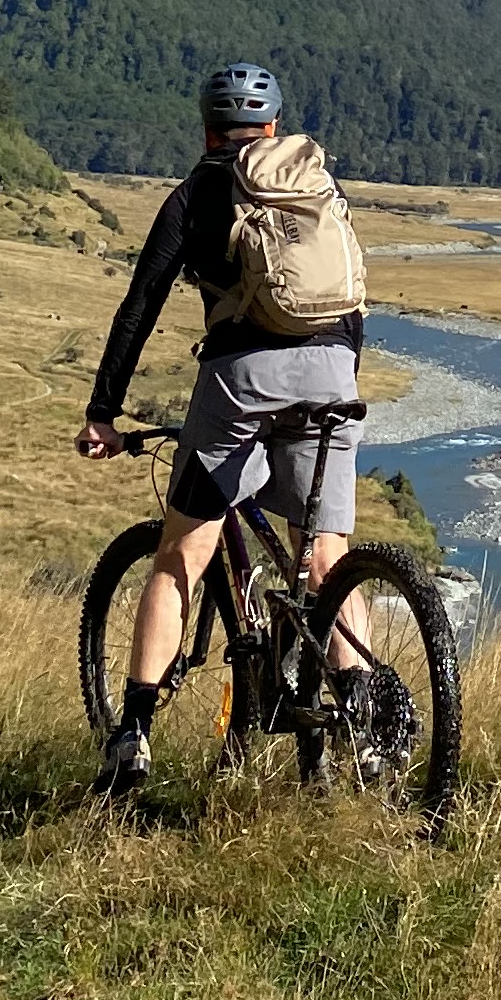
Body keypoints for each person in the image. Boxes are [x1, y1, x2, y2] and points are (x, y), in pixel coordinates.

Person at [75, 59, 372, 800]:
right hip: (335, 370)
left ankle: (134, 731)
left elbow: (138, 308)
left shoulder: (195, 194)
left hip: (243, 378)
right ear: (272, 126)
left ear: (208, 129)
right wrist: (337, 377)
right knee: (328, 556)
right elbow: (353, 296)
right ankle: (369, 719)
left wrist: (103, 411)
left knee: (181, 553)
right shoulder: (317, 187)